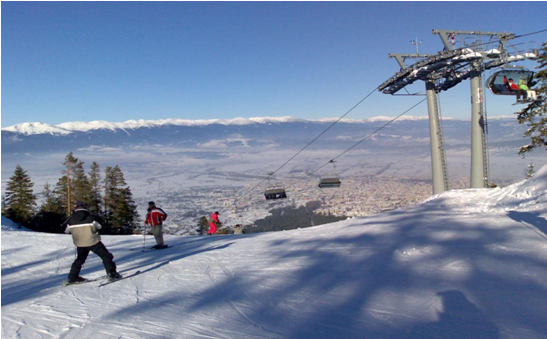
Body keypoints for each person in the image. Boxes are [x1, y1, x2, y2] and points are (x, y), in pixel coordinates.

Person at [63, 201, 121, 283]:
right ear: (85, 207)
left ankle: (72, 278)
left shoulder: (70, 219)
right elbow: (99, 227)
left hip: (80, 243)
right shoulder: (91, 217)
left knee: (79, 260)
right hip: (93, 241)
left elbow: (66, 231)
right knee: (106, 256)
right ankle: (112, 274)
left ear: (76, 208)